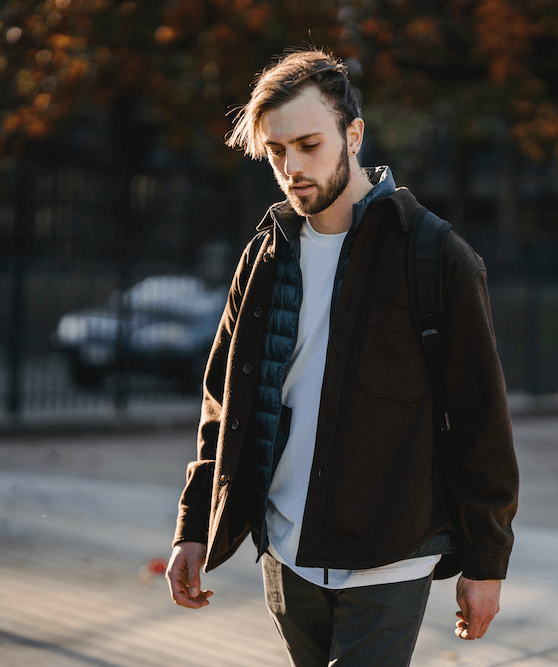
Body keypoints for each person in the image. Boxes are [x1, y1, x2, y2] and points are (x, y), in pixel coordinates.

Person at [166, 48, 519, 667]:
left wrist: (486, 564)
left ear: (353, 134)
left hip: (390, 555)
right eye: (275, 152)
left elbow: (481, 423)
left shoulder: (435, 256)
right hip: (286, 550)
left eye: (308, 144)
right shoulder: (265, 256)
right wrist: (194, 526)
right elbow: (224, 404)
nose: (291, 167)